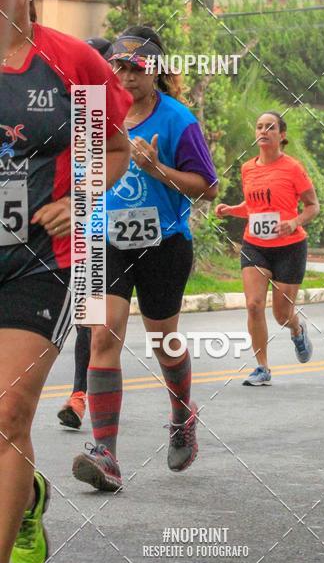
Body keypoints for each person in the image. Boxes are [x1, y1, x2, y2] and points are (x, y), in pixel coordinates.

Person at [0, 0, 131, 563]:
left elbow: (113, 151)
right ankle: (25, 499)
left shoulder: (71, 64)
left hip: (42, 263)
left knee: (7, 412)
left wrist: (78, 199)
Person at [72, 26, 218, 492]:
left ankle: (182, 414)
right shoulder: (92, 114)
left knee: (163, 340)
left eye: (137, 68)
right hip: (104, 241)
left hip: (164, 245)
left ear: (155, 72)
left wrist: (157, 170)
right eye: (119, 67)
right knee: (102, 335)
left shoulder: (177, 119)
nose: (127, 76)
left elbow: (208, 188)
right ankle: (106, 455)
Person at [215, 113, 319, 386]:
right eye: (259, 127)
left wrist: (294, 222)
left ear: (281, 135)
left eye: (270, 127)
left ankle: (297, 329)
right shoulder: (247, 168)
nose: (263, 131)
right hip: (255, 245)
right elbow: (253, 207)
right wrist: (231, 210)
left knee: (282, 315)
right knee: (253, 304)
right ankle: (262, 367)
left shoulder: (293, 168)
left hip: (289, 247)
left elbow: (313, 206)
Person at [57, 37, 113, 430]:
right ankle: (79, 396)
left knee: (111, 328)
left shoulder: (124, 111)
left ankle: (178, 400)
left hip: (129, 237)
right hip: (87, 231)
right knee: (89, 321)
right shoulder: (69, 112)